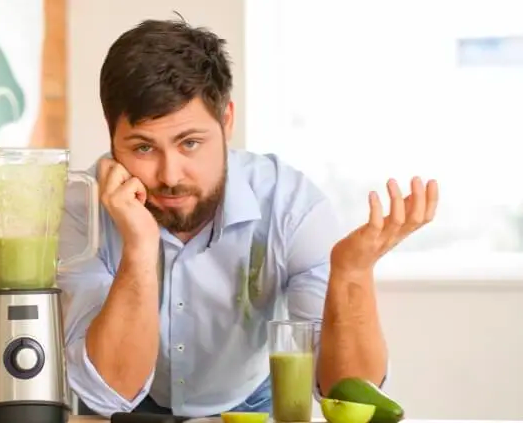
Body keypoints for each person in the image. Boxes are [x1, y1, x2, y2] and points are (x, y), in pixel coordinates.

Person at [57, 17, 439, 419]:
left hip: (249, 406)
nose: (169, 176)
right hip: (131, 410)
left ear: (226, 122)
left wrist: (352, 272)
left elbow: (349, 397)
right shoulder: (83, 209)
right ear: (111, 135)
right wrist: (138, 247)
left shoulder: (290, 206)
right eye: (143, 148)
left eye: (190, 143)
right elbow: (108, 393)